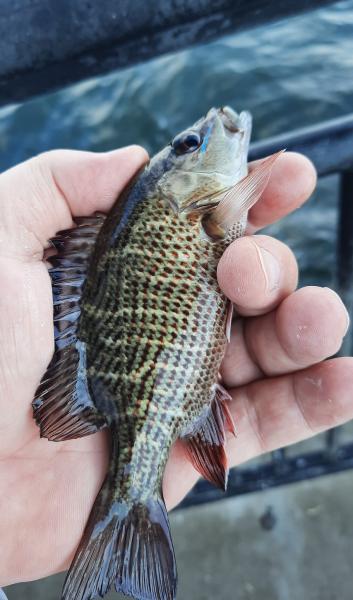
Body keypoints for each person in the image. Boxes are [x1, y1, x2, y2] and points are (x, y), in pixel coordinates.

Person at [0, 146, 352, 588]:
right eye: (190, 145)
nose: (212, 131)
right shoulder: (185, 206)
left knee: (267, 284)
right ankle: (132, 507)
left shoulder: (185, 208)